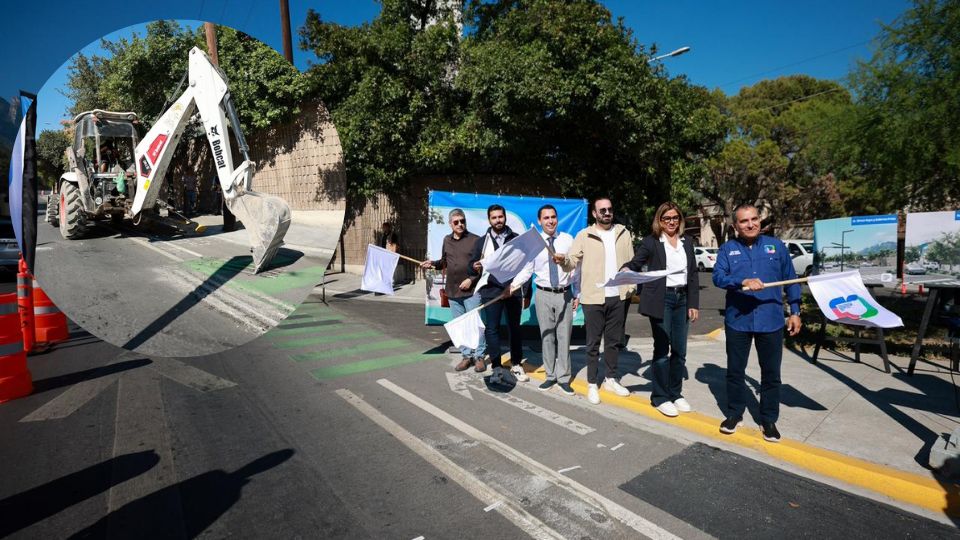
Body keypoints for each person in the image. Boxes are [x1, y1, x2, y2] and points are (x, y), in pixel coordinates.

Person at [712, 203, 801, 443]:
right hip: (738, 321)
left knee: (771, 374)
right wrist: (743, 280)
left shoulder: (777, 247)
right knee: (735, 372)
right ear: (735, 226)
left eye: (754, 219)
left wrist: (795, 310)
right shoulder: (727, 249)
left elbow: (791, 280)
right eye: (744, 221)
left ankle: (768, 419)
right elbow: (718, 277)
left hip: (770, 321)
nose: (750, 224)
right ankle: (734, 414)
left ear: (760, 221)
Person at [621, 202, 700, 417]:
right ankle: (659, 397)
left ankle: (675, 393)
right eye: (667, 218)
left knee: (680, 351)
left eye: (675, 218)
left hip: (683, 298)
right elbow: (636, 263)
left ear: (680, 219)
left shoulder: (687, 241)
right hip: (662, 299)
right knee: (662, 350)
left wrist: (694, 303)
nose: (672, 222)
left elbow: (692, 274)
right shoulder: (651, 242)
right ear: (660, 221)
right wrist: (625, 270)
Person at [555, 197, 635, 405]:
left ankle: (610, 378)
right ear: (594, 213)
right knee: (592, 343)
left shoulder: (624, 233)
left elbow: (632, 262)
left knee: (614, 341)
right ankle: (592, 383)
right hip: (593, 297)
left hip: (618, 296)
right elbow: (572, 262)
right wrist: (563, 260)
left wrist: (631, 285)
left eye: (609, 209)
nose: (607, 213)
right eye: (602, 210)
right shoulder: (584, 235)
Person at [512, 205, 578, 396]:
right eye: (546, 218)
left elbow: (576, 269)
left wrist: (577, 293)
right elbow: (527, 270)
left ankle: (564, 378)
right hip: (543, 294)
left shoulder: (567, 240)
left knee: (564, 337)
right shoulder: (535, 243)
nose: (550, 221)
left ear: (557, 219)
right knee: (547, 337)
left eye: (553, 217)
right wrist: (513, 286)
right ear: (540, 221)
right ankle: (550, 376)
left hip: (564, 294)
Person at [468, 204, 531, 385]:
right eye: (494, 217)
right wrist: (474, 266)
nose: (498, 220)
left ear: (505, 217)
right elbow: (471, 265)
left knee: (514, 328)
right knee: (492, 329)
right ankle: (496, 365)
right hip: (491, 292)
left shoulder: (517, 239)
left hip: (513, 291)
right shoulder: (481, 242)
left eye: (500, 217)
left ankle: (517, 364)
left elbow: (526, 266)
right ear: (489, 220)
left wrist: (525, 292)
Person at [421, 209, 487, 372]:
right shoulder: (446, 240)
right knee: (460, 326)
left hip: (472, 291)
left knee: (475, 325)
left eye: (462, 221)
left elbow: (483, 266)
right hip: (452, 291)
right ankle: (466, 356)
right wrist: (433, 264)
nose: (460, 224)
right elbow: (444, 262)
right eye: (456, 222)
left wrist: (471, 280)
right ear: (450, 224)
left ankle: (479, 357)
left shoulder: (475, 240)